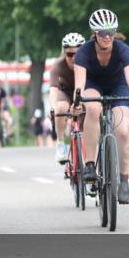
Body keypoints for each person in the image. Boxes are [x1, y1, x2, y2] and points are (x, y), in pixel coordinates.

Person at [72, 8, 129, 204]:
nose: (108, 37)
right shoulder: (84, 52)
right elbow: (80, 84)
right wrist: (77, 103)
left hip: (119, 86)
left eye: (111, 32)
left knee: (123, 131)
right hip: (93, 85)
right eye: (103, 33)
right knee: (92, 108)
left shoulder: (124, 50)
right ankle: (90, 164)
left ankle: (124, 180)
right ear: (95, 34)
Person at [50, 32, 85, 163]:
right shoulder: (58, 65)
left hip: (82, 94)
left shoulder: (89, 64)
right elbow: (53, 90)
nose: (74, 57)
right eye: (70, 54)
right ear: (64, 53)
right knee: (60, 108)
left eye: (78, 53)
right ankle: (60, 143)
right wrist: (53, 108)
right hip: (65, 93)